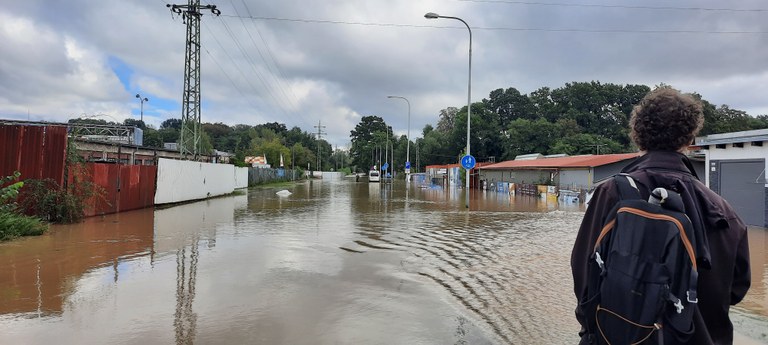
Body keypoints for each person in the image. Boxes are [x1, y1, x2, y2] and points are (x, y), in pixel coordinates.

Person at [571, 87, 751, 344]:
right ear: (690, 140)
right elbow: (735, 291)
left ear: (637, 136)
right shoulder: (724, 212)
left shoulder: (611, 194)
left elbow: (584, 276)